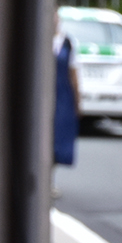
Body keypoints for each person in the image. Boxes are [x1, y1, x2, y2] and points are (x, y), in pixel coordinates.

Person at [51, 24, 80, 195]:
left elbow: (74, 73)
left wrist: (77, 101)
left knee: (58, 137)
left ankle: (50, 180)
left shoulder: (67, 43)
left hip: (62, 95)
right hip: (44, 95)